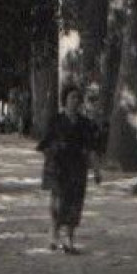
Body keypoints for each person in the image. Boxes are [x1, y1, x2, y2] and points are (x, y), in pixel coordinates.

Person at [36, 85, 101, 254]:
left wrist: (96, 170)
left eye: (78, 98)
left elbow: (91, 148)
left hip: (77, 168)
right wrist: (51, 156)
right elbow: (45, 144)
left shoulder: (85, 124)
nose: (75, 101)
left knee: (75, 204)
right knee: (58, 204)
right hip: (59, 167)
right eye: (72, 97)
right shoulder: (56, 121)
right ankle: (54, 233)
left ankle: (69, 240)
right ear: (64, 100)